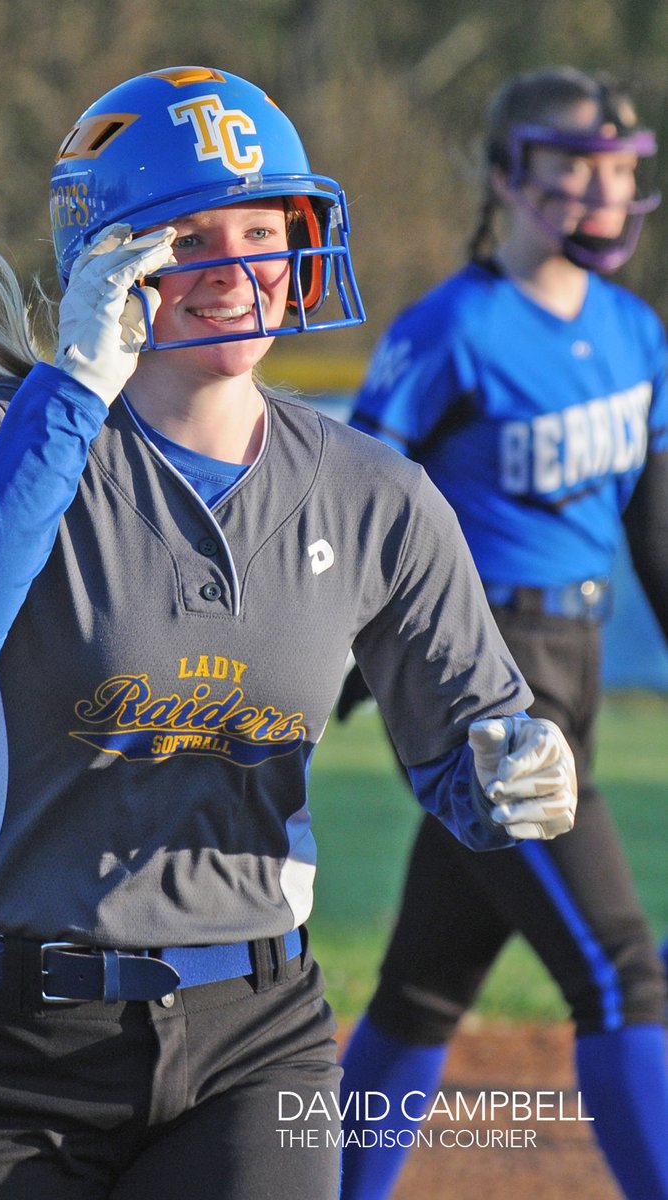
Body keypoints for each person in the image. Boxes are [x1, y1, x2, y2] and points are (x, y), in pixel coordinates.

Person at [0, 65, 578, 1200]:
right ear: (107, 258)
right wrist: (76, 386)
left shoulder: (375, 494)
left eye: (265, 229)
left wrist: (509, 779)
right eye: (188, 238)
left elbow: (464, 746)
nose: (239, 268)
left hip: (253, 1038)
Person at [337, 65, 668, 1200]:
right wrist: (315, 684)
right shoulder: (451, 330)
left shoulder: (633, 332)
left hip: (575, 669)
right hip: (474, 679)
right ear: (504, 179)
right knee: (622, 973)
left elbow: (652, 523)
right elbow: (352, 510)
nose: (599, 191)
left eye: (618, 170)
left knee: (423, 987)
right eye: (572, 166)